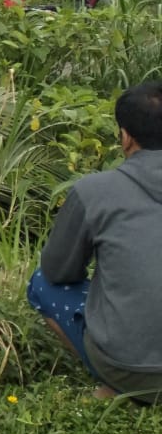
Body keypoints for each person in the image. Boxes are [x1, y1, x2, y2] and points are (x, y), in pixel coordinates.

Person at [27, 82, 162, 403]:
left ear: (126, 136)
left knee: (42, 285)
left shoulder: (94, 191)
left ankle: (117, 384)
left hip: (127, 369)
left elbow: (58, 272)